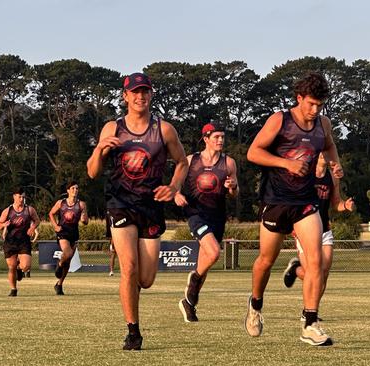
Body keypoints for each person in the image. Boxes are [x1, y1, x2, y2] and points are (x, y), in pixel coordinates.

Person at [87, 72, 188, 350]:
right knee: (128, 268)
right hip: (120, 203)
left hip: (151, 206)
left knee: (146, 279)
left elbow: (182, 162)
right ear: (125, 96)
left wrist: (174, 186)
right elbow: (93, 172)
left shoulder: (164, 129)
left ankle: (133, 295)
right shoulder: (112, 128)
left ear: (151, 95)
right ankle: (133, 332)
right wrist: (99, 150)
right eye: (135, 92)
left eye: (145, 91)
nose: (140, 96)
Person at [244, 72, 343, 346]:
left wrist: (335, 164)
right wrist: (286, 164)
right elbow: (253, 153)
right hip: (276, 201)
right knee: (266, 260)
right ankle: (255, 305)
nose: (314, 110)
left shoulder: (323, 124)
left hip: (306, 203)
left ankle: (310, 323)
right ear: (299, 98)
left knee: (316, 262)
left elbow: (330, 146)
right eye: (310, 104)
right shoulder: (280, 121)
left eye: (319, 105)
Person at [174, 123, 238, 322]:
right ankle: (193, 281)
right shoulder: (190, 160)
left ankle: (189, 303)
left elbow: (235, 193)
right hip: (196, 214)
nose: (220, 140)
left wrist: (233, 187)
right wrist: (176, 194)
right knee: (214, 253)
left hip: (217, 216)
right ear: (206, 138)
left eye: (222, 137)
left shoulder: (229, 163)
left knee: (206, 262)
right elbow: (174, 184)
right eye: (216, 137)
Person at [283, 153, 355, 317]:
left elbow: (336, 203)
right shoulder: (305, 173)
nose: (324, 154)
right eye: (320, 150)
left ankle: (308, 312)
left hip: (324, 229)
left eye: (326, 150)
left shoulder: (332, 176)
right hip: (305, 229)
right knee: (312, 273)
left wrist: (346, 206)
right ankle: (296, 270)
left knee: (323, 275)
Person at [0, 187, 40, 296]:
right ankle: (13, 289)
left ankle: (19, 269)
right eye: (19, 197)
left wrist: (32, 227)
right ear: (14, 197)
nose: (21, 199)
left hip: (24, 242)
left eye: (23, 197)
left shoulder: (29, 209)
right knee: (11, 267)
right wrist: (3, 225)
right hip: (10, 242)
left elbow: (37, 220)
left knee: (26, 266)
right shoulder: (8, 211)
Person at [48, 181, 89, 295]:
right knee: (68, 253)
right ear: (68, 191)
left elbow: (85, 221)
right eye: (72, 188)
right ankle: (59, 265)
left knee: (68, 262)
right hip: (62, 232)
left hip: (73, 233)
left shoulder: (81, 204)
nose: (75, 190)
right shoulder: (61, 203)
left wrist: (84, 218)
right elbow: (51, 213)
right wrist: (55, 226)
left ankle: (59, 284)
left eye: (77, 188)